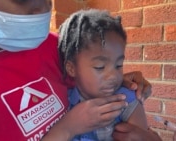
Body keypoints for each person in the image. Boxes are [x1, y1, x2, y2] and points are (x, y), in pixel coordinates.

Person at [0, 0, 152, 141]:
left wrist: (119, 81)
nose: (43, 10)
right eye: (21, 0)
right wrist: (67, 128)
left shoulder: (58, 48)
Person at [56, 9, 162, 141]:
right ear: (72, 69)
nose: (113, 76)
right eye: (100, 67)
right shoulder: (62, 103)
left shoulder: (126, 100)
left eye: (118, 65)